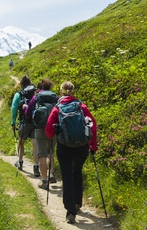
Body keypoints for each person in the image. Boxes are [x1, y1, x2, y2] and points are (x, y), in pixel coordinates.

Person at [45, 81, 97, 224]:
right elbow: (92, 125)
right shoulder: (82, 106)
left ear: (61, 92)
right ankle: (77, 203)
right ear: (73, 91)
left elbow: (48, 132)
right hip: (82, 147)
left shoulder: (57, 108)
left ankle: (70, 212)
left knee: (67, 176)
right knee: (77, 172)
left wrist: (55, 132)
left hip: (64, 147)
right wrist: (93, 145)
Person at [24, 78, 58, 189]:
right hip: (53, 128)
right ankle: (51, 173)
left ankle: (44, 181)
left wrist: (25, 110)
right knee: (50, 152)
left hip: (39, 129)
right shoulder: (55, 97)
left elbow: (28, 113)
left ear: (39, 88)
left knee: (42, 155)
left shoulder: (36, 97)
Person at [11, 76, 39, 173]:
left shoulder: (19, 94)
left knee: (21, 142)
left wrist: (13, 122)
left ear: (21, 84)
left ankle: (20, 162)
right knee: (35, 145)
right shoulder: (35, 92)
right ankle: (36, 167)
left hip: (24, 122)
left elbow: (14, 109)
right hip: (36, 121)